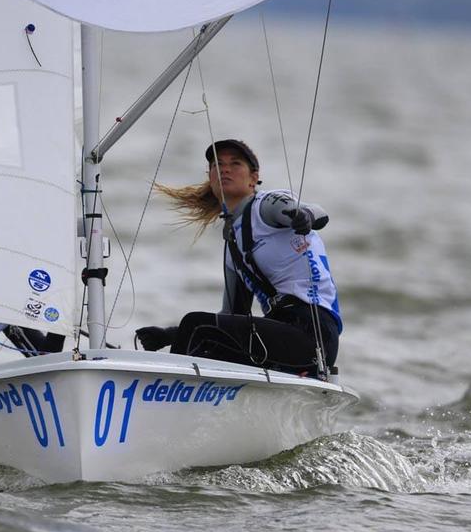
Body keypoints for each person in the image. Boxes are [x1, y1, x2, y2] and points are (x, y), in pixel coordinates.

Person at [135, 139, 342, 377]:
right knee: (206, 338)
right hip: (280, 335)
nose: (224, 169)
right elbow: (232, 315)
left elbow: (317, 212)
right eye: (217, 165)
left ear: (253, 178)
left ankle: (166, 390)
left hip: (313, 333)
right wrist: (170, 334)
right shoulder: (234, 244)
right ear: (211, 178)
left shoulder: (267, 205)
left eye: (235, 163)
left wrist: (304, 215)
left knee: (197, 325)